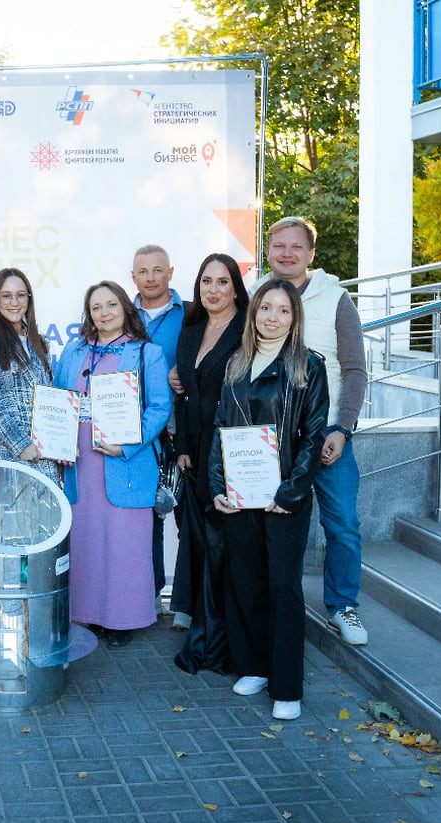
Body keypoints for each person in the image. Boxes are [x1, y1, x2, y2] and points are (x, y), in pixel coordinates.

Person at [209, 280, 328, 721]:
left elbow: (314, 436)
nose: (272, 317)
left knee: (282, 587)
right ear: (254, 312)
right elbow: (222, 430)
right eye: (265, 308)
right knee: (246, 582)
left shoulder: (307, 368)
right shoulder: (237, 363)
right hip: (241, 499)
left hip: (283, 499)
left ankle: (286, 686)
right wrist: (218, 486)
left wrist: (290, 492)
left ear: (294, 318)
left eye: (283, 310)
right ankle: (255, 666)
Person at [264, 217, 369, 646]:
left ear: (311, 253)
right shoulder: (256, 294)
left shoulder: (336, 298)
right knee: (270, 525)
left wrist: (342, 428)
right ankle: (270, 605)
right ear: (268, 249)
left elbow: (356, 370)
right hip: (271, 438)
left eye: (296, 247)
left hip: (326, 435)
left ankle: (343, 606)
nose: (287, 253)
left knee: (342, 522)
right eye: (279, 246)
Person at [53, 281, 172, 646]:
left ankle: (123, 619)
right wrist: (55, 441)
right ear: (88, 314)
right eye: (96, 307)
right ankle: (85, 615)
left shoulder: (146, 354)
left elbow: (159, 409)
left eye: (111, 305)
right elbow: (57, 402)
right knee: (84, 540)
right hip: (79, 463)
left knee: (124, 544)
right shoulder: (73, 353)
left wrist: (127, 446)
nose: (104, 313)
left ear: (124, 308)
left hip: (124, 462)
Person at [171, 254, 249, 672]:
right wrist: (182, 445)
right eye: (206, 281)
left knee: (226, 546)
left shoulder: (248, 330)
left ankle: (222, 640)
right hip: (195, 453)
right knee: (201, 542)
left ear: (236, 287)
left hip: (234, 453)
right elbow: (186, 393)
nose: (213, 289)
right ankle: (204, 625)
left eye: (222, 281)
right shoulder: (191, 330)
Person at [131, 244, 188, 600]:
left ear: (170, 271)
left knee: (189, 522)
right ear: (133, 277)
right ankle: (147, 597)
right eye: (143, 271)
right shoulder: (121, 315)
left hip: (182, 430)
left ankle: (184, 602)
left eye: (157, 270)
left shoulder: (193, 315)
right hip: (139, 436)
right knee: (146, 521)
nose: (150, 277)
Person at [0, 268, 59, 484]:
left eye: (20, 295)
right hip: (8, 455)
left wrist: (61, 444)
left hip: (45, 458)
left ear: (29, 298)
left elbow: (50, 400)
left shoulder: (41, 342)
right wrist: (21, 444)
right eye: (6, 296)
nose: (14, 302)